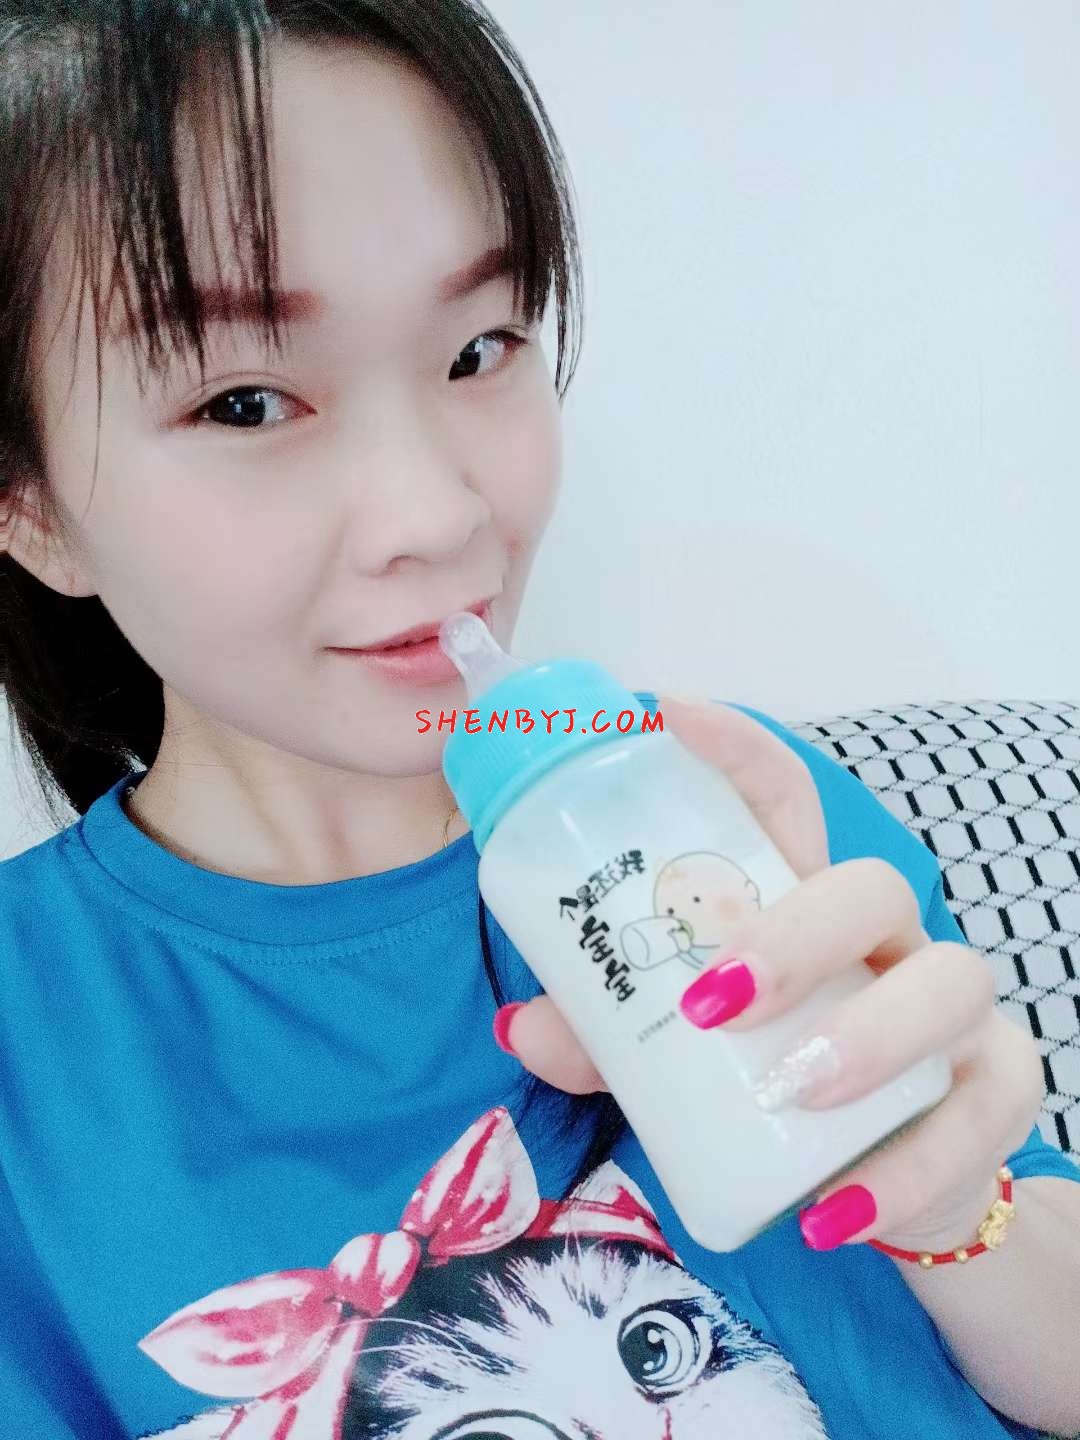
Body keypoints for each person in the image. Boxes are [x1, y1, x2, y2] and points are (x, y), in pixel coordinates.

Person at [0, 4, 1077, 1437]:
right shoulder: (32, 1055)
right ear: (28, 501)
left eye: (481, 347)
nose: (440, 513)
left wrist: (951, 1209)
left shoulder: (744, 811)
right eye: (247, 403)